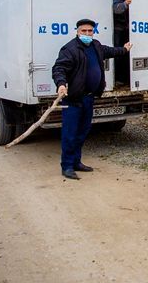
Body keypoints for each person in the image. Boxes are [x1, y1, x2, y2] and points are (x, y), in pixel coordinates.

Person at [52, 18, 133, 180]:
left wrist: (123, 50)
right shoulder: (70, 49)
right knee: (70, 133)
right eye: (84, 31)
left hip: (89, 98)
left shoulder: (95, 45)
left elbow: (109, 51)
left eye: (90, 31)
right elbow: (59, 68)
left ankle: (76, 162)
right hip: (73, 99)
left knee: (83, 131)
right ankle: (67, 166)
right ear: (77, 31)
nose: (87, 34)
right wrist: (61, 84)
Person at [112, 0, 132, 85]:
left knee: (126, 52)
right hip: (117, 27)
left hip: (125, 27)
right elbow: (116, 8)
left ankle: (125, 78)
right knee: (118, 52)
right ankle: (118, 79)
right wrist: (125, 4)